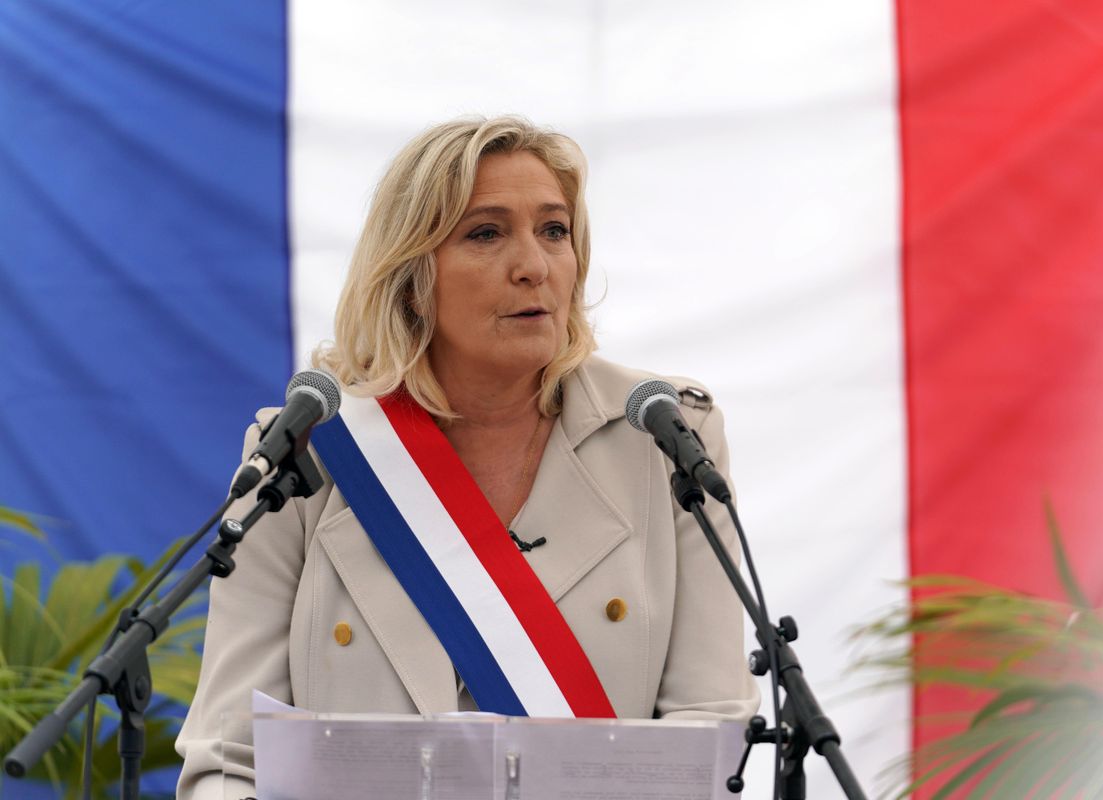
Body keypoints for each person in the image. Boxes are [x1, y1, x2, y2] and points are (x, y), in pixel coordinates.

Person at [176, 116, 758, 799]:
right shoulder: (309, 452)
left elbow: (710, 739)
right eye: (486, 233)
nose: (534, 266)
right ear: (411, 273)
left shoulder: (664, 437)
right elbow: (229, 762)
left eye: (554, 230)